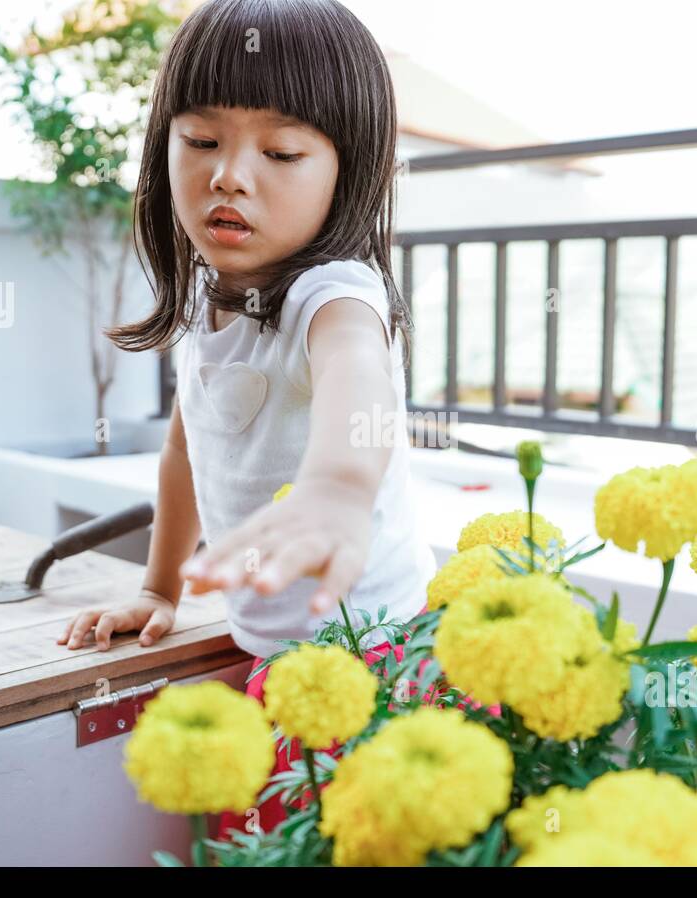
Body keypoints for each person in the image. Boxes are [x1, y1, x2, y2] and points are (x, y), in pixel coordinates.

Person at [57, 0, 446, 842]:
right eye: (201, 140)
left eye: (280, 151)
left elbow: (359, 377)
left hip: (374, 659)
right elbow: (185, 448)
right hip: (274, 654)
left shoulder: (333, 294)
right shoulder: (206, 297)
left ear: (353, 173)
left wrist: (340, 488)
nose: (230, 175)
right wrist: (159, 587)